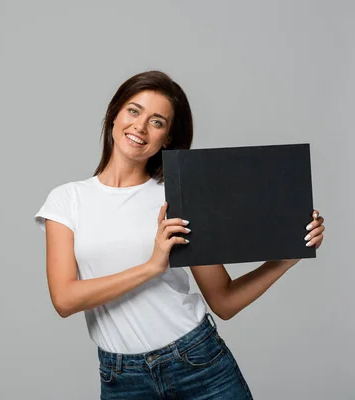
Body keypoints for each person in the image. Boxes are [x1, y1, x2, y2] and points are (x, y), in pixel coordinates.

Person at [33, 70, 325, 400]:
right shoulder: (67, 200)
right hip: (122, 380)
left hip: (198, 364)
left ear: (167, 138)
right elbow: (65, 299)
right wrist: (152, 266)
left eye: (157, 121)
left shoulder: (179, 197)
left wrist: (283, 261)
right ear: (114, 113)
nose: (140, 127)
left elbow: (224, 302)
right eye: (133, 110)